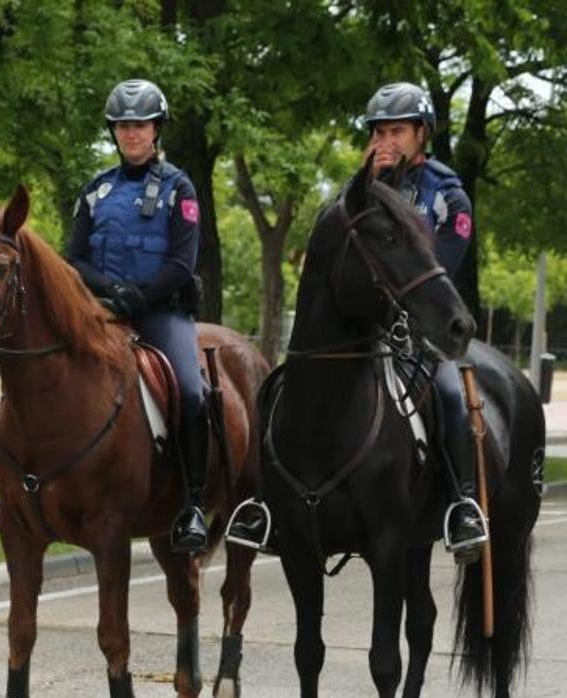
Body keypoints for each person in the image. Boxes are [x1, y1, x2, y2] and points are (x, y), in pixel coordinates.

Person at [227, 81, 488, 561]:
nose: (387, 142)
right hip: (361, 330)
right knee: (280, 390)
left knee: (451, 394)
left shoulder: (448, 197)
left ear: (422, 134)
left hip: (423, 329)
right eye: (380, 132)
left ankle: (460, 503)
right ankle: (263, 505)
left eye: (398, 132)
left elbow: (438, 269)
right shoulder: (359, 194)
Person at [65, 78, 209, 554]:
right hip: (104, 314)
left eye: (140, 125)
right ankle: (17, 486)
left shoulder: (178, 187)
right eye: (124, 126)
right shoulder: (96, 190)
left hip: (161, 314)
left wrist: (141, 299)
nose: (132, 134)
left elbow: (182, 263)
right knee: (46, 372)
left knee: (191, 392)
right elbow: (75, 258)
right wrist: (109, 292)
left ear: (156, 129)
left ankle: (192, 505)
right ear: (114, 131)